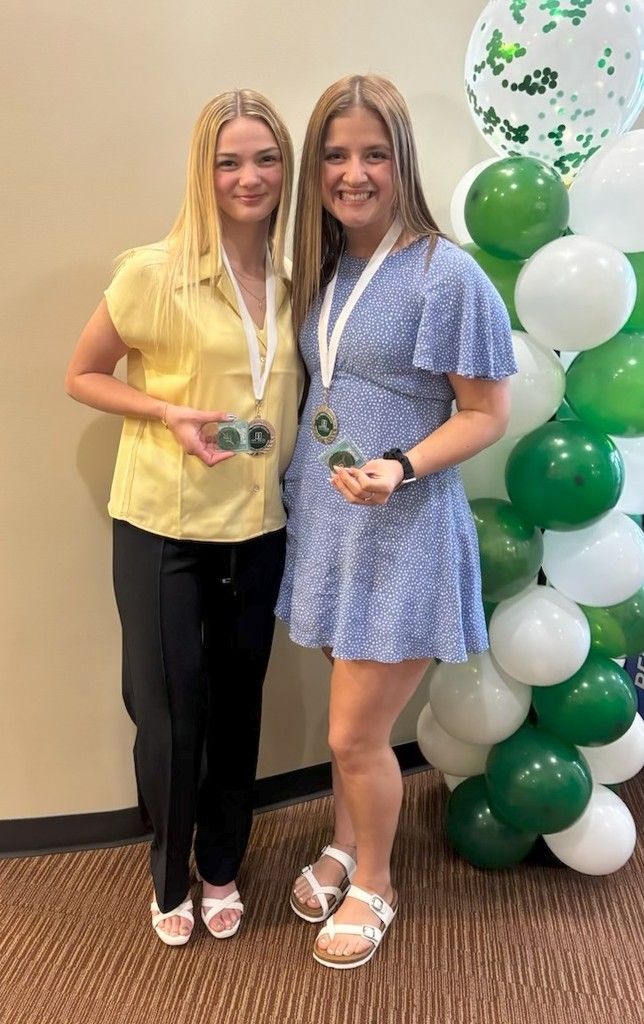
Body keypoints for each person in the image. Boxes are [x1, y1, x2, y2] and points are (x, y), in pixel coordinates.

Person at [276, 74, 517, 970]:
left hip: (405, 528)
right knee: (355, 720)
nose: (353, 172)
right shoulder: (329, 267)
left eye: (373, 153)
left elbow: (487, 413)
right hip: (334, 528)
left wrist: (404, 465)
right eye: (336, 154)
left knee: (353, 734)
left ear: (402, 160)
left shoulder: (443, 273)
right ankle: (344, 841)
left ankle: (374, 880)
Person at [65, 90, 302, 946]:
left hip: (260, 522)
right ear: (203, 170)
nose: (250, 176)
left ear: (286, 168)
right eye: (230, 160)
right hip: (165, 524)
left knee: (241, 706)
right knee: (169, 713)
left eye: (266, 159)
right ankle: (169, 876)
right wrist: (165, 413)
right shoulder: (153, 270)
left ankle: (223, 866)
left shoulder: (298, 273)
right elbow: (84, 373)